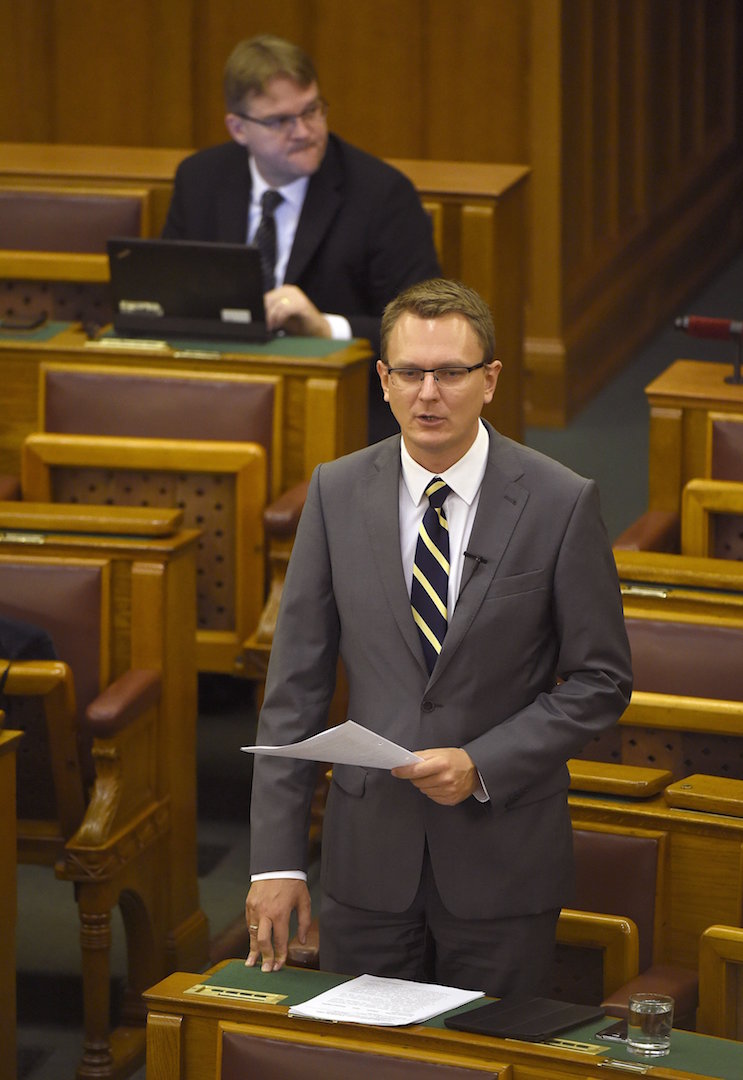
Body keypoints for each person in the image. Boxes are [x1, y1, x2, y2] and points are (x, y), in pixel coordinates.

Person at [246, 278, 633, 998]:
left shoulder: (559, 501)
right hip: (367, 861)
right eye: (410, 373)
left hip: (502, 863)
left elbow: (600, 680)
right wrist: (277, 861)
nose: (428, 394)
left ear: (489, 381)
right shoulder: (334, 492)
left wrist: (481, 762)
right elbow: (294, 688)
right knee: (359, 1054)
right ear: (382, 380)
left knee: (488, 1053)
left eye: (450, 373)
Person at [162, 33, 441, 441]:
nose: (304, 131)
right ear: (238, 128)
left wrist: (326, 328)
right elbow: (167, 296)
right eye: (280, 121)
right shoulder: (201, 180)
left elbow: (425, 327)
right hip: (215, 394)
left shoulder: (381, 195)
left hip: (337, 406)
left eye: (311, 111)